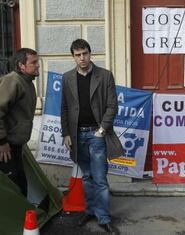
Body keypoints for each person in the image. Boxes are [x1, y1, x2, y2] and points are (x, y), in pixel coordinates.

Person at [61, 39, 124, 234]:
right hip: (77, 134)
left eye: (85, 53)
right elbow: (64, 108)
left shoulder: (104, 76)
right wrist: (66, 133)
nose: (82, 58)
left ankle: (104, 218)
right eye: (78, 55)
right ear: (73, 56)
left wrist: (102, 130)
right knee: (87, 177)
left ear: (90, 53)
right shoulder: (67, 78)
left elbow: (112, 106)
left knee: (100, 178)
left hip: (97, 133)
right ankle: (90, 211)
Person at [0, 48, 39, 197]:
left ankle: (22, 219)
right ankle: (10, 219)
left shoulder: (26, 82)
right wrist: (1, 142)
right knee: (10, 187)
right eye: (33, 62)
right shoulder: (12, 81)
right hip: (2, 147)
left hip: (13, 146)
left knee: (20, 184)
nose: (37, 65)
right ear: (21, 65)